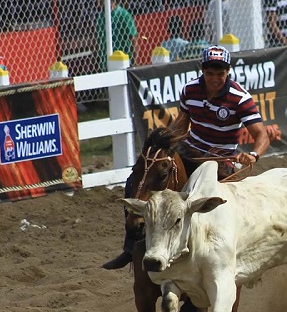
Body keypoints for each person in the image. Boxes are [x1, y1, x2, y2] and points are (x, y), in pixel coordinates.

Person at [103, 45, 270, 270]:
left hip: (220, 162)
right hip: (189, 151)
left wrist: (253, 155)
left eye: (220, 73)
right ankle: (130, 247)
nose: (215, 78)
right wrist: (168, 139)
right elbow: (183, 122)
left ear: (228, 71)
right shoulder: (190, 90)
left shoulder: (240, 98)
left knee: (213, 205)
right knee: (138, 178)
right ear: (203, 70)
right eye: (210, 73)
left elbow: (262, 135)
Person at [96, 0, 138, 71]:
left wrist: (134, 62)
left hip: (122, 63)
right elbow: (97, 41)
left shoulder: (124, 15)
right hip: (104, 65)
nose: (96, 0)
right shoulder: (100, 17)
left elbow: (133, 39)